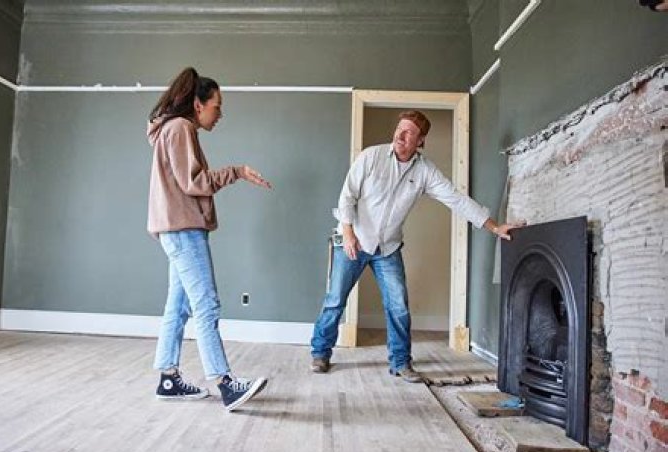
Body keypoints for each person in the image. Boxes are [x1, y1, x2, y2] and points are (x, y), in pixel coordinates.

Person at [310, 110, 521, 382]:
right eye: (399, 129)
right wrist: (349, 233)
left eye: (409, 132)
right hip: (354, 239)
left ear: (420, 141)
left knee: (398, 306)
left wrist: (494, 227)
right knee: (335, 300)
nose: (400, 135)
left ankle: (400, 362)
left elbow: (456, 199)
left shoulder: (424, 171)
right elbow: (347, 196)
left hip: (387, 248)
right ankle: (320, 353)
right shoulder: (371, 157)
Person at [147, 67, 272, 411]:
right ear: (198, 104)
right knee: (206, 304)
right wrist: (237, 172)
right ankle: (225, 383)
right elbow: (194, 182)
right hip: (183, 229)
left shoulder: (171, 129)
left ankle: (168, 379)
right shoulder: (180, 128)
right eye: (217, 106)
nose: (220, 114)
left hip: (175, 229)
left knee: (179, 306)